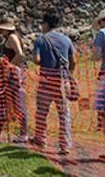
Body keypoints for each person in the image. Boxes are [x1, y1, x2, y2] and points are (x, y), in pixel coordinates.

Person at [32, 12, 75, 154]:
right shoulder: (66, 40)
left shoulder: (40, 40)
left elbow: (37, 60)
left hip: (46, 81)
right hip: (62, 81)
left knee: (42, 112)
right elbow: (73, 61)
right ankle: (65, 145)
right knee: (64, 114)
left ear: (46, 24)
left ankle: (40, 138)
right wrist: (69, 77)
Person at [0, 17, 29, 143]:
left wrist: (8, 67)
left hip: (13, 76)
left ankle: (23, 134)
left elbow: (20, 55)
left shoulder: (12, 37)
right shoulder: (8, 38)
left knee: (17, 104)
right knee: (1, 104)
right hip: (9, 75)